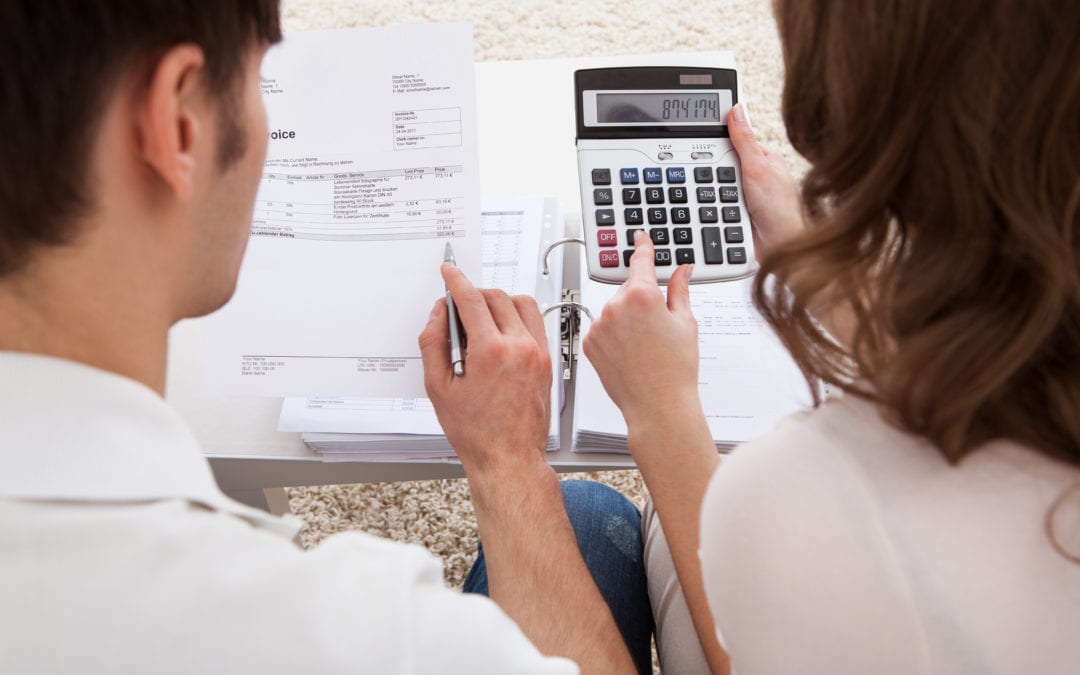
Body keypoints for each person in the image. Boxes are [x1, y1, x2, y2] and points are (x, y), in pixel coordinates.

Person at [0, 2, 651, 673]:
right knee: (585, 512)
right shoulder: (368, 634)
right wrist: (509, 461)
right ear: (179, 123)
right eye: (260, 84)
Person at [575, 0, 1080, 673]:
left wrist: (659, 414)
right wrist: (818, 265)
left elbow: (746, 654)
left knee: (593, 512)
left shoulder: (793, 495)